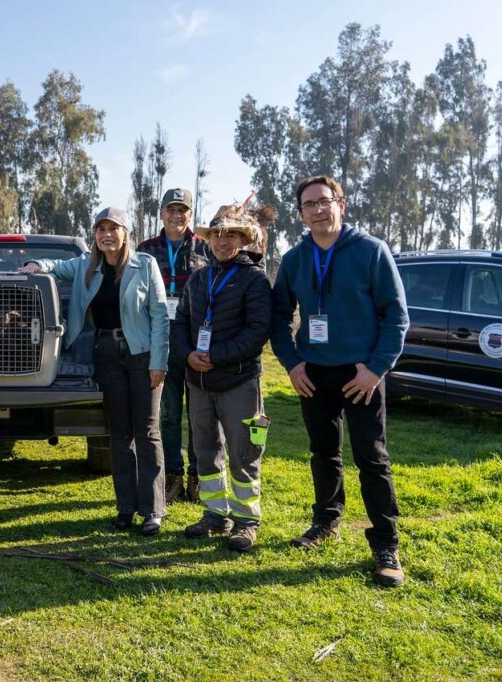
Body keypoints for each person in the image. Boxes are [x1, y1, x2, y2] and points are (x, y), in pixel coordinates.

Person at [270, 175, 409, 587]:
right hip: (314, 372)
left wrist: (375, 368)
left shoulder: (370, 251)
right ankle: (326, 522)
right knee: (323, 452)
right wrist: (293, 364)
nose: (317, 209)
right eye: (308, 204)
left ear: (341, 205)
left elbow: (396, 317)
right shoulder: (295, 259)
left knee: (372, 459)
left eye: (324, 202)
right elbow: (278, 318)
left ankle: (386, 545)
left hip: (360, 374)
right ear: (301, 213)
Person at [21, 207, 169, 535]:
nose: (106, 235)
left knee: (147, 431)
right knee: (119, 434)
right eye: (100, 229)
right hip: (106, 355)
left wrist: (159, 361)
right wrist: (37, 265)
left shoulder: (144, 265)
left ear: (125, 232)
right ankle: (125, 509)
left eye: (112, 228)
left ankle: (153, 511)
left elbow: (159, 315)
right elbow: (57, 267)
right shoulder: (87, 264)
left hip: (142, 356)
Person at [171, 203, 273, 552]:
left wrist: (215, 356)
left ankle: (247, 521)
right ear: (208, 239)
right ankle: (216, 514)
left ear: (243, 239)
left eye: (230, 234)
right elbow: (181, 322)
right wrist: (187, 354)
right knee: (205, 451)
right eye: (216, 234)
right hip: (199, 383)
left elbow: (258, 331)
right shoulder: (199, 278)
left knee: (244, 452)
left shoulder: (255, 279)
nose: (222, 240)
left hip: (238, 382)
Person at [137, 188, 209, 505]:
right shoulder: (145, 250)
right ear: (161, 212)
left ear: (190, 214)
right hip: (160, 341)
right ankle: (172, 478)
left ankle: (196, 477)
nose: (176, 215)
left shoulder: (205, 248)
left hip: (194, 344)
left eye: (183, 210)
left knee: (197, 414)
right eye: (171, 209)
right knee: (167, 414)